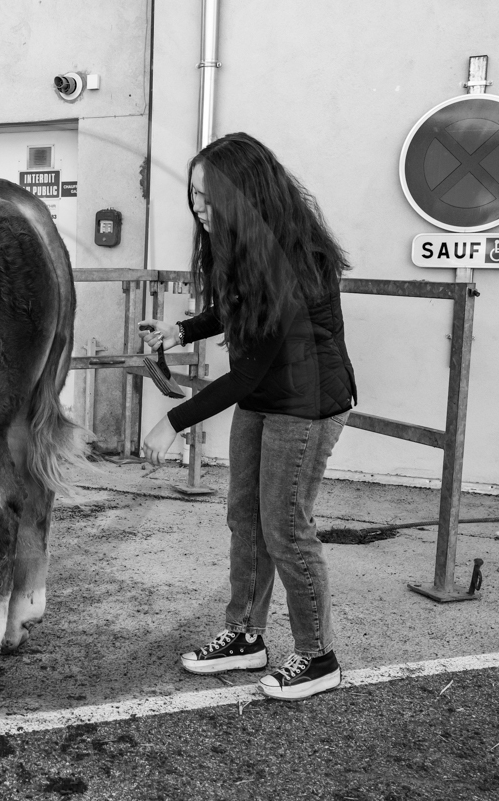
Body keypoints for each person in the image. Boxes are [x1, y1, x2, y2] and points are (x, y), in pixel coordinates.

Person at [138, 133, 357, 701]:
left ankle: (317, 655)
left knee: (286, 528)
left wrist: (173, 421)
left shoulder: (294, 255)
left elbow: (246, 373)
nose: (199, 210)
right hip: (266, 400)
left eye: (210, 199)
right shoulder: (244, 243)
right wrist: (182, 329)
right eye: (193, 196)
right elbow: (237, 309)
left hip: (306, 407)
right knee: (245, 518)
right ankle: (245, 635)